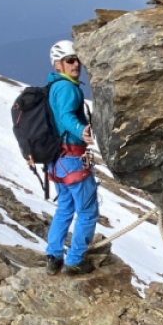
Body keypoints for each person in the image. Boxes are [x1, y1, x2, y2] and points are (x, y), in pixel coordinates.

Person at [41, 40, 99, 275]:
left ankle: (53, 256)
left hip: (57, 160)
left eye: (77, 59)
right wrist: (81, 130)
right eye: (70, 60)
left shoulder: (54, 86)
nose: (77, 64)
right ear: (58, 64)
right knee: (87, 211)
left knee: (65, 207)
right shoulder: (67, 88)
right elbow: (66, 116)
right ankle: (74, 260)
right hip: (73, 159)